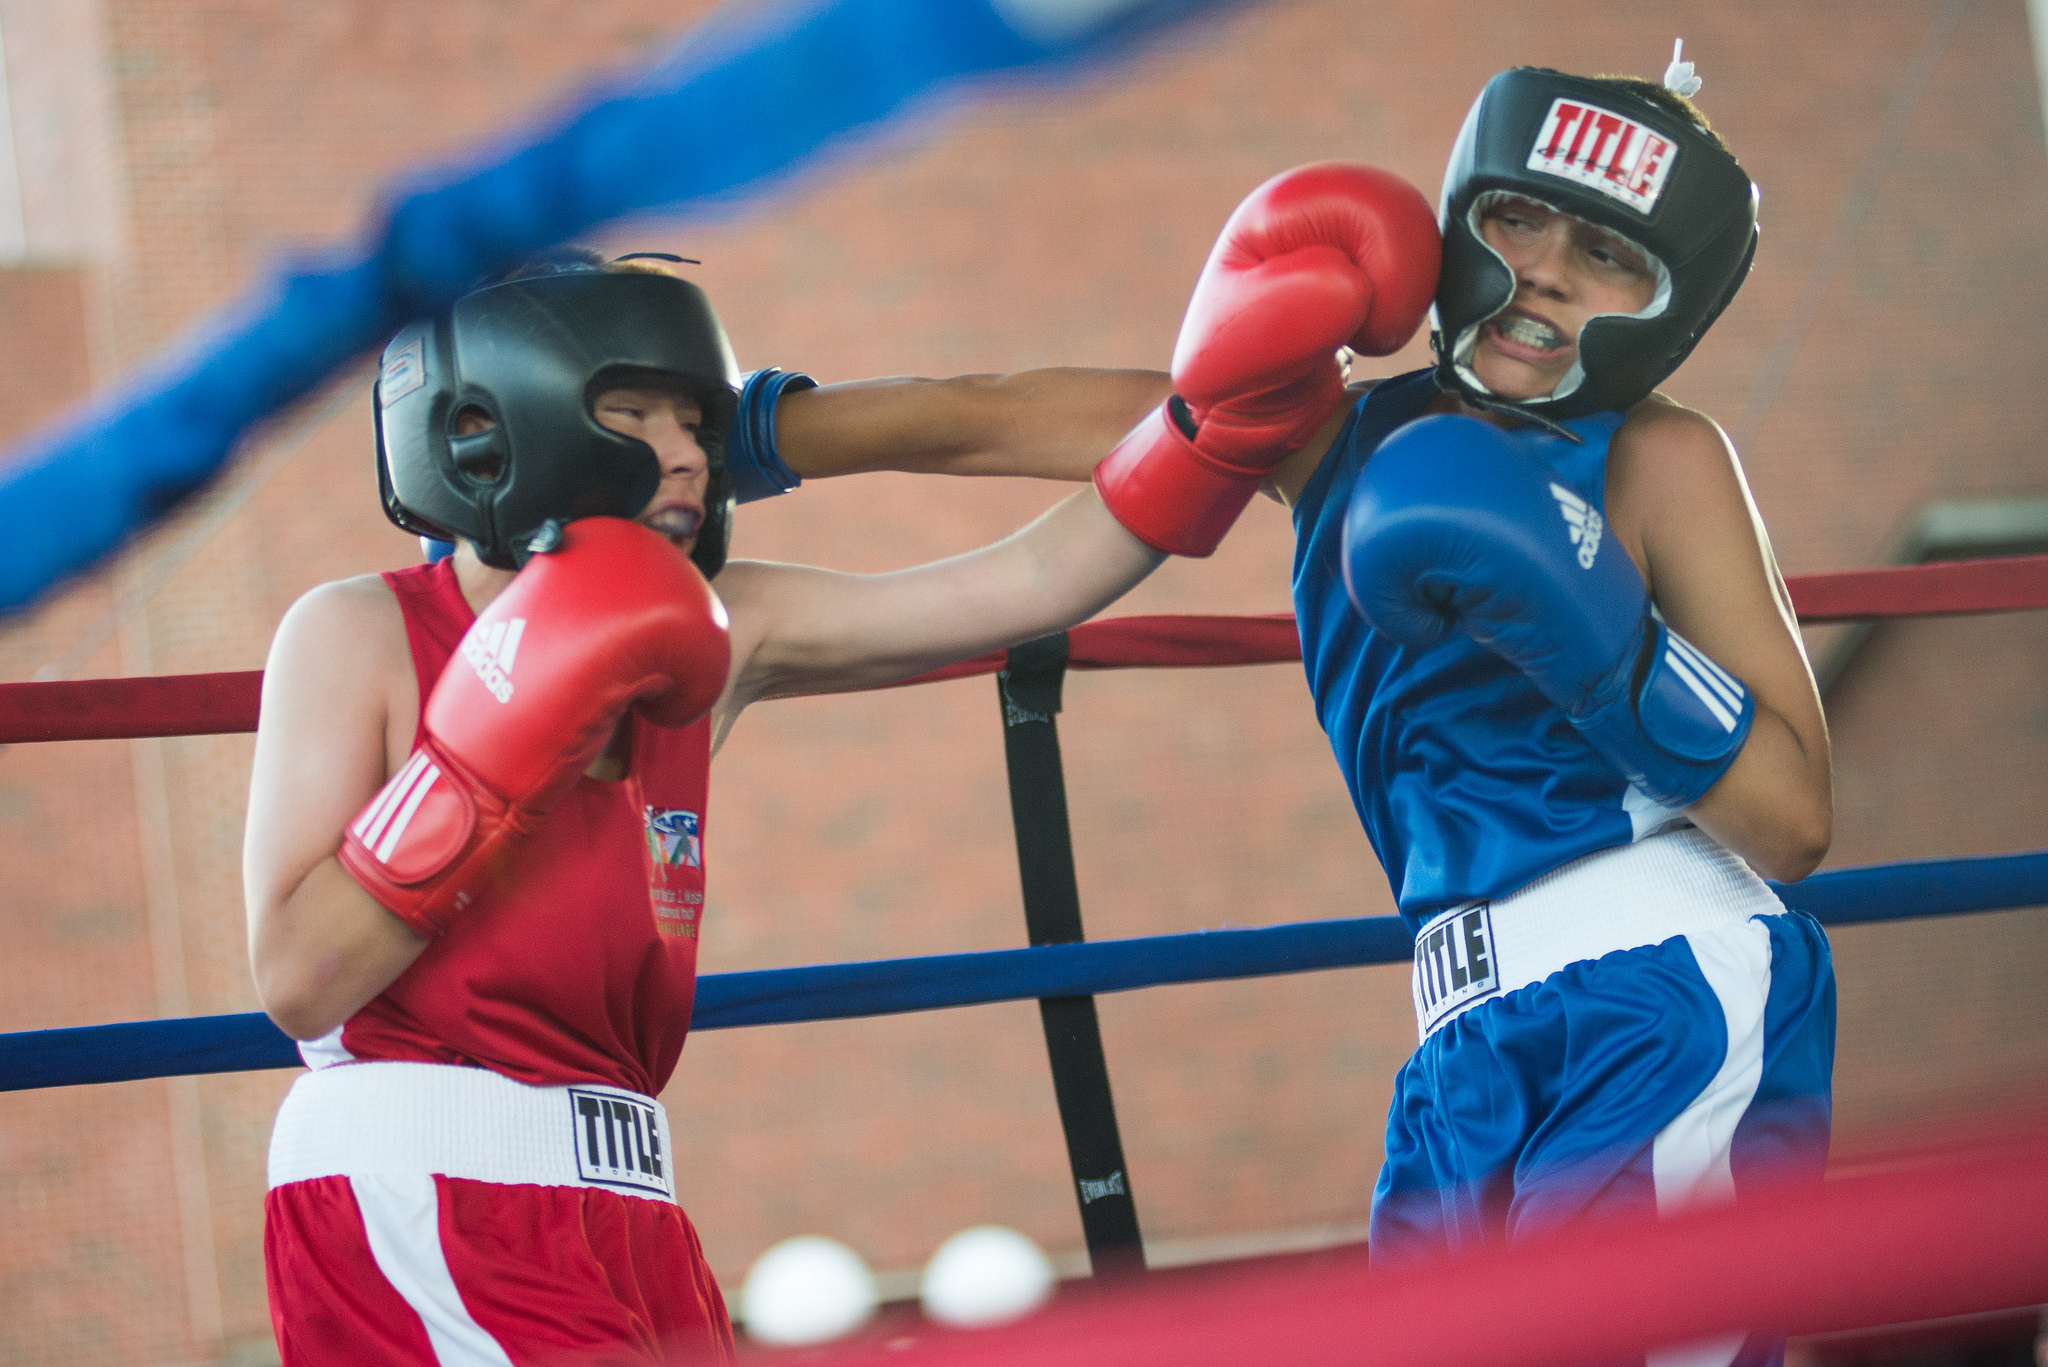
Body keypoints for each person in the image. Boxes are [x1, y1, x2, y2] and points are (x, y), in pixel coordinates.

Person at [753, 56, 1835, 1365]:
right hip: (1461, 1034)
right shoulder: (1336, 434)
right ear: (1455, 223)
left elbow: (1791, 817)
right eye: (1517, 221)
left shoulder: (1663, 458)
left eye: (1605, 251)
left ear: (1669, 309)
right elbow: (1007, 415)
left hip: (1664, 983)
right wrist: (753, 434)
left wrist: (1605, 638)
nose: (1544, 268)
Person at [245, 198, 1438, 1366]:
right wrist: (489, 757)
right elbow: (299, 979)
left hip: (627, 1200)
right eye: (635, 413)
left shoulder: (724, 624)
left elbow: (1021, 584)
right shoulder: (359, 632)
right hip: (419, 1189)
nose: (684, 455)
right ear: (493, 427)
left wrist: (1215, 430)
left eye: (694, 423)